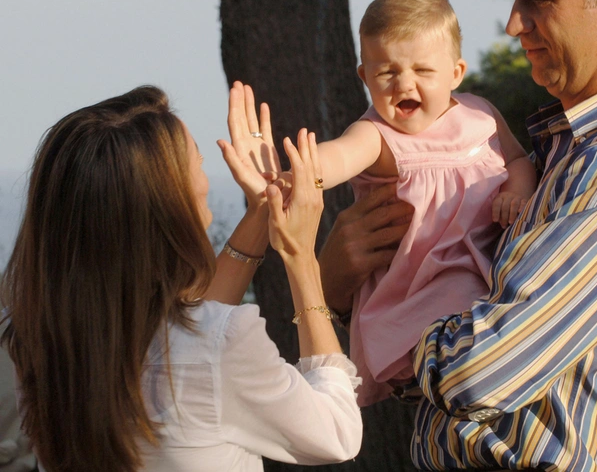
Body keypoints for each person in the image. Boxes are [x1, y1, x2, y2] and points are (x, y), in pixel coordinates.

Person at [321, 0, 597, 470]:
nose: (512, 24)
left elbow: (479, 372)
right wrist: (345, 290)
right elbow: (443, 391)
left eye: (538, 0)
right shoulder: (560, 157)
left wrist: (381, 319)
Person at [0, 82, 362, 472]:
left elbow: (186, 338)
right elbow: (336, 434)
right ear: (167, 204)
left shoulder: (38, 337)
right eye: (199, 164)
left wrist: (262, 211)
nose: (207, 177)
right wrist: (300, 257)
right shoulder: (223, 343)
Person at [309, 0, 536, 406]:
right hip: (422, 284)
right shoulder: (376, 135)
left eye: (422, 71)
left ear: (455, 72)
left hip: (485, 267)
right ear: (364, 77)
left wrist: (516, 192)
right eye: (387, 73)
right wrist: (294, 169)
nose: (404, 84)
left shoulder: (480, 115)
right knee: (460, 303)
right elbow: (337, 157)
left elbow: (520, 160)